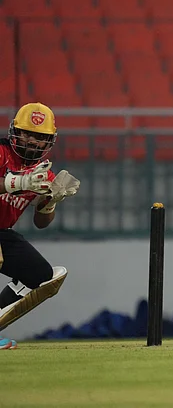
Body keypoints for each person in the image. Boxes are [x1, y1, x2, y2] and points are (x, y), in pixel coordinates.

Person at [0, 102, 81, 349]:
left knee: (43, 277)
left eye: (41, 137)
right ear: (16, 133)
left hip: (3, 233)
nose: (34, 142)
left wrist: (50, 202)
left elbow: (41, 223)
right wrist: (18, 182)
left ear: (50, 142)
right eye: (28, 134)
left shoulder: (45, 174)